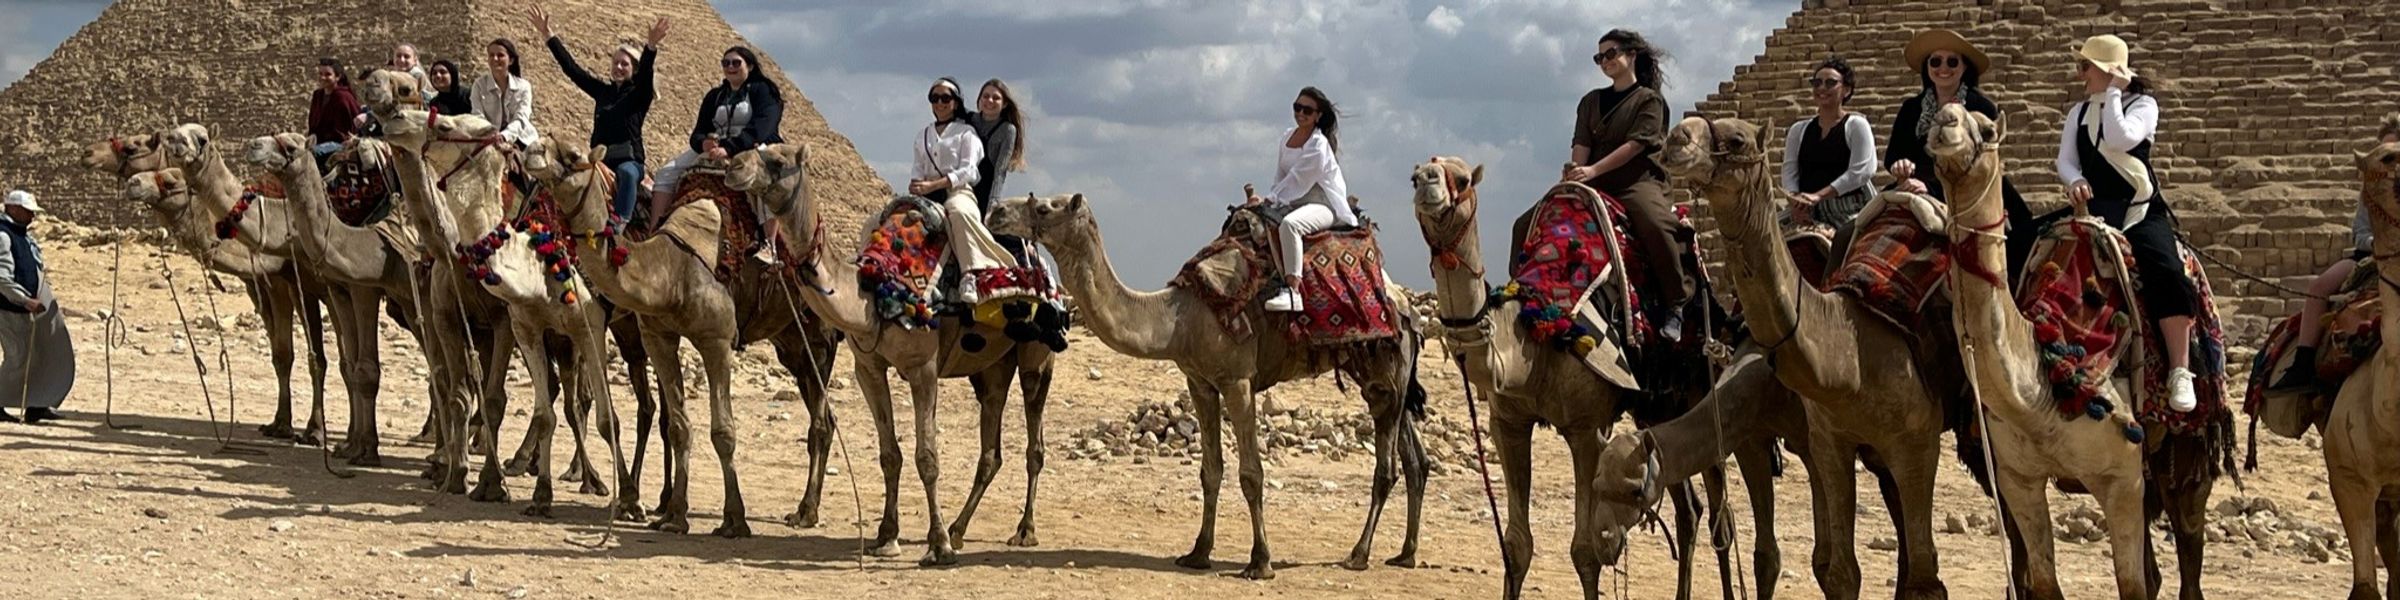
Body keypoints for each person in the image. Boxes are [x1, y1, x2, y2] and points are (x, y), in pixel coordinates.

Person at [2055, 34, 2198, 412]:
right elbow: (2066, 160)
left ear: (2107, 70)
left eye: (2086, 66)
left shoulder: (2143, 105)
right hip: (2095, 210)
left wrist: (2116, 92)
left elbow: (2121, 138)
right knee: (2027, 247)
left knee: (2166, 271)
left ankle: (2180, 371)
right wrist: (2075, 181)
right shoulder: (2079, 113)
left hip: (2138, 212)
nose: (2080, 74)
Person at [1535, 29, 1691, 335]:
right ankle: (1528, 295)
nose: (1604, 61)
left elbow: (1635, 146)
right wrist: (1576, 174)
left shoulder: (1649, 101)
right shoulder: (1591, 101)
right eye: (1599, 57)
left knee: (1656, 225)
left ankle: (1676, 303)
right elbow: (1581, 143)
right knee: (1528, 223)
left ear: (1631, 55)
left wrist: (1593, 171)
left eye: (1611, 54)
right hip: (1592, 183)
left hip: (1635, 182)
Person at [1888, 29, 2040, 277]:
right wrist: (1901, 166)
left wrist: (1933, 188)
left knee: (2017, 238)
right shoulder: (1910, 108)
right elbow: (1893, 155)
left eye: (1952, 61)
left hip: (1969, 186)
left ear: (1964, 67)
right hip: (1914, 183)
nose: (1943, 68)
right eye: (1935, 61)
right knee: (1854, 230)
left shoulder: (1982, 106)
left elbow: (1986, 158)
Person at [2271, 113, 2400, 390]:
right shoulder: (2372, 189)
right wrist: (2378, 246)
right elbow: (2361, 232)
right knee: (2320, 286)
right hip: (2370, 257)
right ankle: (2303, 365)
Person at [534, 7, 668, 224]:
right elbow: (573, 70)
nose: (618, 67)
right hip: (600, 158)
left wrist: (650, 47)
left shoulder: (639, 95)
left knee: (627, 173)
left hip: (629, 159)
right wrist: (549, 36)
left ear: (634, 69)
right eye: (615, 62)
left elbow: (645, 77)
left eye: (624, 64)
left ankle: (621, 221)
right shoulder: (603, 92)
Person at [1242, 86, 1354, 313]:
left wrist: (1269, 200)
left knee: (1291, 226)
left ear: (1318, 116)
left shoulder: (1318, 145)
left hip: (1322, 204)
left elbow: (1298, 179)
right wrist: (1267, 203)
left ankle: (1293, 291)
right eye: (1297, 107)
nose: (1301, 113)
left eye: (1308, 110)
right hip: (1292, 201)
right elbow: (1280, 177)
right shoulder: (1286, 138)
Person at [909, 77, 1015, 306]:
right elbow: (917, 168)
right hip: (926, 195)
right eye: (934, 98)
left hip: (959, 191)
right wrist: (916, 184)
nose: (940, 102)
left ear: (956, 102)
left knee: (959, 212)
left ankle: (970, 273)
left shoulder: (968, 132)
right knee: (888, 221)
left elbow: (970, 170)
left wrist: (992, 206)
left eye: (946, 98)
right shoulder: (922, 135)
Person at [652, 46, 783, 213]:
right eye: (725, 63)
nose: (730, 67)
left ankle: (768, 238)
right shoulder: (715, 96)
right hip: (718, 146)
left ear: (750, 66)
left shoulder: (764, 90)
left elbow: (763, 126)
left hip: (753, 145)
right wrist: (703, 143)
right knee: (665, 173)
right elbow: (699, 131)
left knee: (770, 182)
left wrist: (729, 148)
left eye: (736, 63)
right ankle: (656, 228)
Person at [0, 190, 74, 424]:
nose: (32, 215)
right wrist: (24, 300)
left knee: (40, 354)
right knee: (18, 357)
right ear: (11, 208)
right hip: (10, 307)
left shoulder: (22, 235)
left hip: (26, 307)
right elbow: (1, 277)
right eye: (27, 210)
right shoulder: (3, 236)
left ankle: (36, 403)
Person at [1780, 56, 1877, 229]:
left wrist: (1819, 196)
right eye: (1816, 83)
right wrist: (1796, 202)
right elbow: (1789, 171)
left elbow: (1861, 172)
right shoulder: (1798, 130)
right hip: (1805, 209)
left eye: (1830, 83)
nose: (1822, 88)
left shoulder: (1855, 125)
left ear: (1846, 90)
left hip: (1848, 209)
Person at [968, 79, 1031, 261]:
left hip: (986, 188)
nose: (990, 101)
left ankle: (1024, 252)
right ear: (979, 100)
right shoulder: (970, 120)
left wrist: (992, 204)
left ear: (1004, 104)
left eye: (996, 98)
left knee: (988, 231)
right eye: (986, 96)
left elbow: (1000, 171)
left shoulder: (1007, 130)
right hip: (965, 183)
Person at [471, 38, 540, 150]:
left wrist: (504, 136)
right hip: (489, 139)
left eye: (500, 55)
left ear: (511, 60)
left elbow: (521, 117)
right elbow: (477, 115)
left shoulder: (524, 86)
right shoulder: (479, 85)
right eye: (491, 55)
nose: (495, 59)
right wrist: (491, 134)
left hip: (522, 139)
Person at [307, 57, 361, 160]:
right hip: (318, 141)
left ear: (338, 77)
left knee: (312, 154)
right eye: (320, 74)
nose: (323, 77)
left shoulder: (343, 97)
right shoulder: (318, 95)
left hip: (340, 143)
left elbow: (352, 124)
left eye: (328, 74)